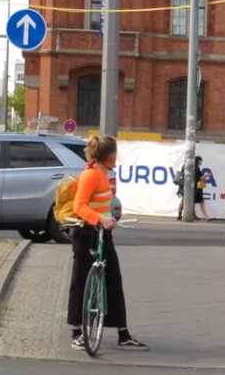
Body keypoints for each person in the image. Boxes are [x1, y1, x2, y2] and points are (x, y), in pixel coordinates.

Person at [67, 135, 148, 351]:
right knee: (81, 281)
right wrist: (100, 219)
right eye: (115, 153)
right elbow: (79, 206)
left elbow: (103, 203)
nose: (116, 157)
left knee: (113, 279)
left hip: (103, 233)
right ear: (110, 155)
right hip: (87, 233)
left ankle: (123, 334)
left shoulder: (105, 175)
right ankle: (77, 332)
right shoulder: (91, 175)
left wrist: (110, 218)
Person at [194, 156, 211, 222]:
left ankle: (206, 217)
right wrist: (206, 176)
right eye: (201, 160)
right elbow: (199, 178)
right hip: (197, 188)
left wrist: (204, 178)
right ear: (198, 161)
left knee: (201, 202)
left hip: (198, 187)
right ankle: (206, 217)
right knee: (201, 202)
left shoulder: (197, 168)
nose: (201, 162)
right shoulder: (196, 169)